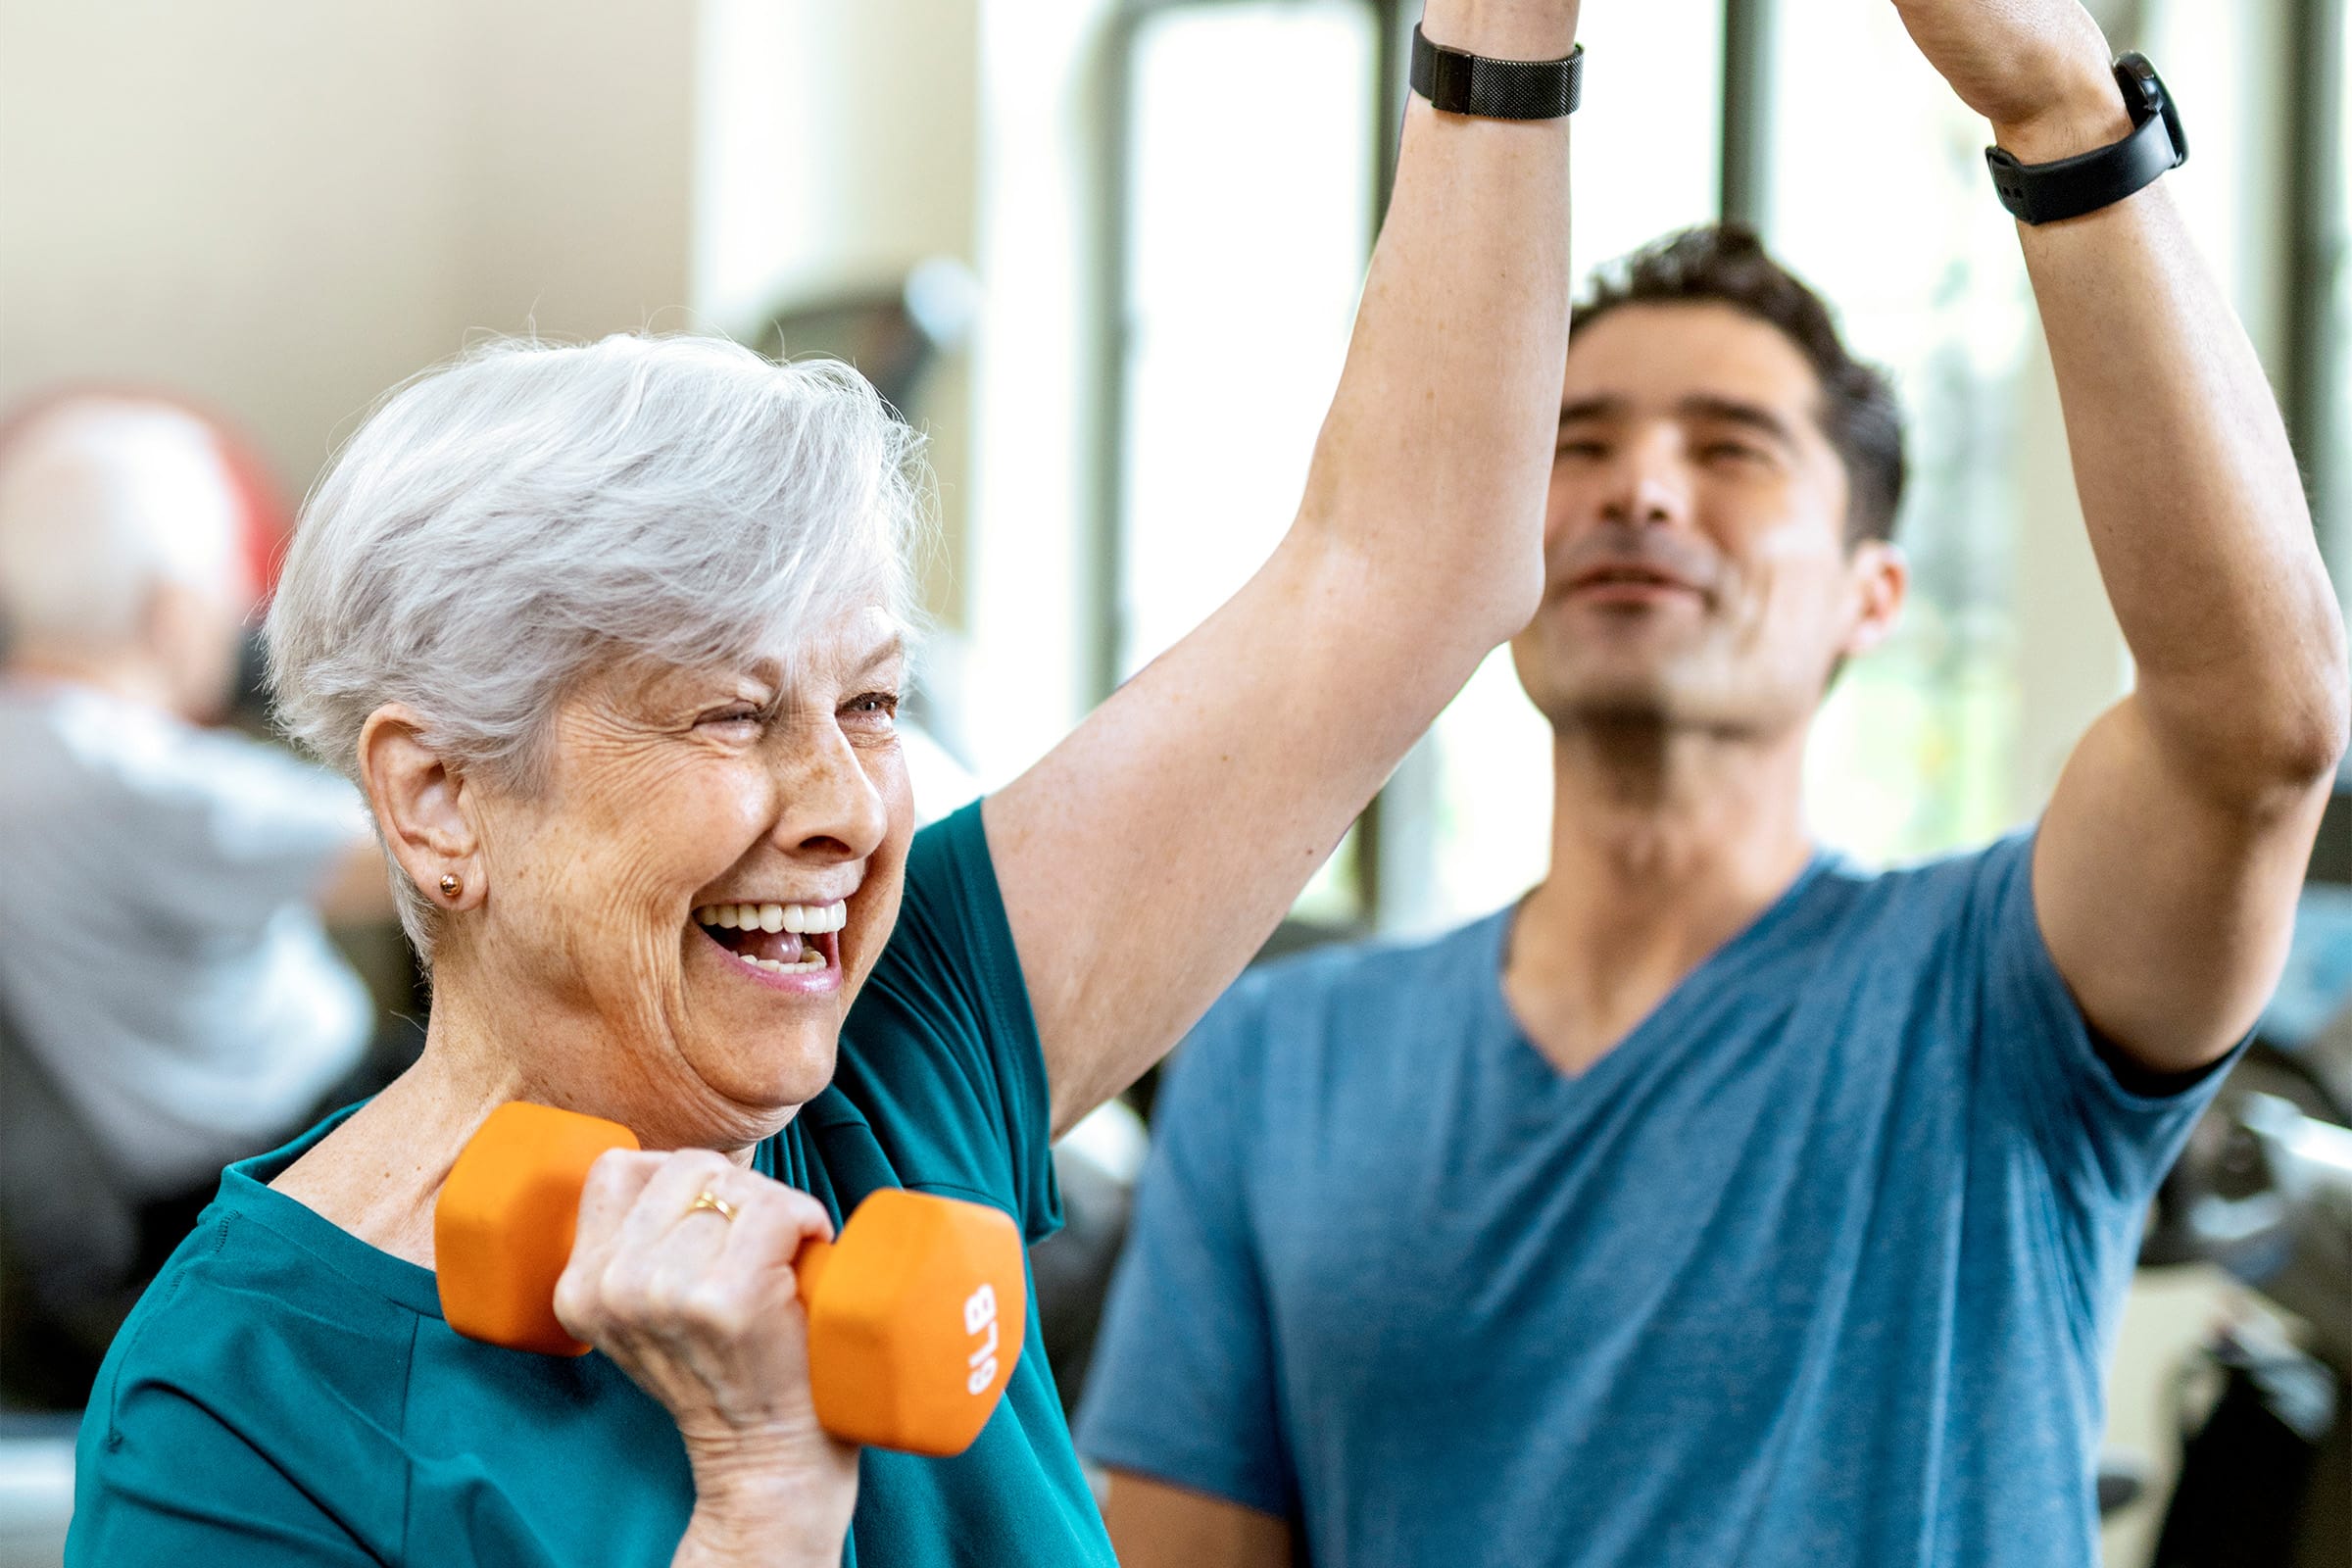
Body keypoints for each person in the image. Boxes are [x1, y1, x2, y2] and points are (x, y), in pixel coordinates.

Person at [64, 1, 1584, 1561]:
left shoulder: (901, 1037)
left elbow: (1410, 566)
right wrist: (762, 1486)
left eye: (869, 704)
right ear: (441, 798)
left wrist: (1502, 30)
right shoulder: (235, 1420)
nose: (848, 809)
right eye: (729, 717)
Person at [1074, 4, 2348, 1565]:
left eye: (1733, 448)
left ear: (1872, 594)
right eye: (1578, 443)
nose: (1642, 487)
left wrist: (2066, 109)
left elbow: (2258, 724)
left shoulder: (2004, 990)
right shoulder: (1280, 1059)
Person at [0, 397, 396, 1384]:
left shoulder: (29, 745)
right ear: (176, 611)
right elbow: (424, 855)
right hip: (289, 1143)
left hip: (142, 1166)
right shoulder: (142, 784)